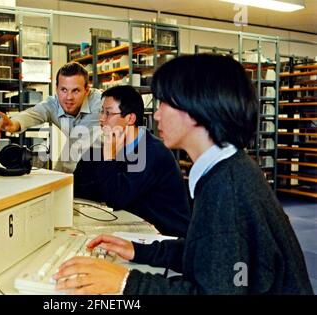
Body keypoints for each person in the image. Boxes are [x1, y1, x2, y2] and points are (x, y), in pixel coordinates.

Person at [53, 54, 314, 295]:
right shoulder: (229, 170)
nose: (155, 115)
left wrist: (124, 282)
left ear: (196, 110)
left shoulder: (227, 190)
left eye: (164, 103)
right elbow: (207, 254)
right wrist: (140, 251)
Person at [73, 85, 191, 237]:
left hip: (167, 238)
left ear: (130, 118)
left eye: (108, 113)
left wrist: (109, 156)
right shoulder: (104, 147)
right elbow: (77, 186)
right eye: (101, 111)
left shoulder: (152, 153)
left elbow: (116, 197)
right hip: (134, 227)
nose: (101, 118)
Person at [0, 61, 102, 172]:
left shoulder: (100, 104)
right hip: (88, 164)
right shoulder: (53, 104)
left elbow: (76, 148)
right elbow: (32, 113)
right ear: (56, 89)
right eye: (64, 90)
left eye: (75, 90)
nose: (69, 97)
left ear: (86, 90)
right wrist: (12, 124)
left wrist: (58, 181)